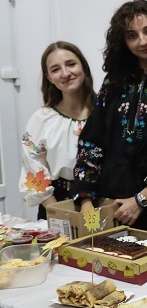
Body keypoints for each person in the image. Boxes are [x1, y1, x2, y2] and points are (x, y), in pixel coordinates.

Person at [71, 0, 147, 231]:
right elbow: (93, 140)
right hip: (113, 200)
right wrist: (86, 199)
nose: (142, 41)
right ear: (123, 41)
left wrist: (144, 197)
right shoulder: (115, 82)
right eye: (132, 35)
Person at [20, 42, 95, 220]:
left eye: (71, 64)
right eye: (55, 69)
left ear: (83, 66)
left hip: (100, 201)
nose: (65, 73)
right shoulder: (41, 119)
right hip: (55, 203)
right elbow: (33, 167)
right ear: (49, 77)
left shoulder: (106, 113)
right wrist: (58, 212)